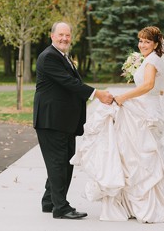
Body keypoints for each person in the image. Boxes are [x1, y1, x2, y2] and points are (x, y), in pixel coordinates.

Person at [72, 26, 164, 223]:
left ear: (156, 44)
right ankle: (136, 203)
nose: (142, 45)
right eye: (140, 41)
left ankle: (149, 205)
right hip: (147, 107)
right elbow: (158, 89)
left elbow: (148, 85)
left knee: (142, 157)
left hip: (146, 113)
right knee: (135, 155)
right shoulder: (151, 59)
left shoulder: (152, 60)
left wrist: (125, 96)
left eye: (147, 42)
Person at [33, 22, 114, 219]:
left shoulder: (62, 56)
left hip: (62, 121)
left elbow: (70, 84)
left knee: (61, 162)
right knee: (60, 164)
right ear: (51, 36)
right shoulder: (49, 57)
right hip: (51, 121)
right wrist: (96, 94)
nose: (64, 38)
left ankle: (49, 201)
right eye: (60, 35)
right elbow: (69, 83)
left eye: (67, 35)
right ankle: (61, 208)